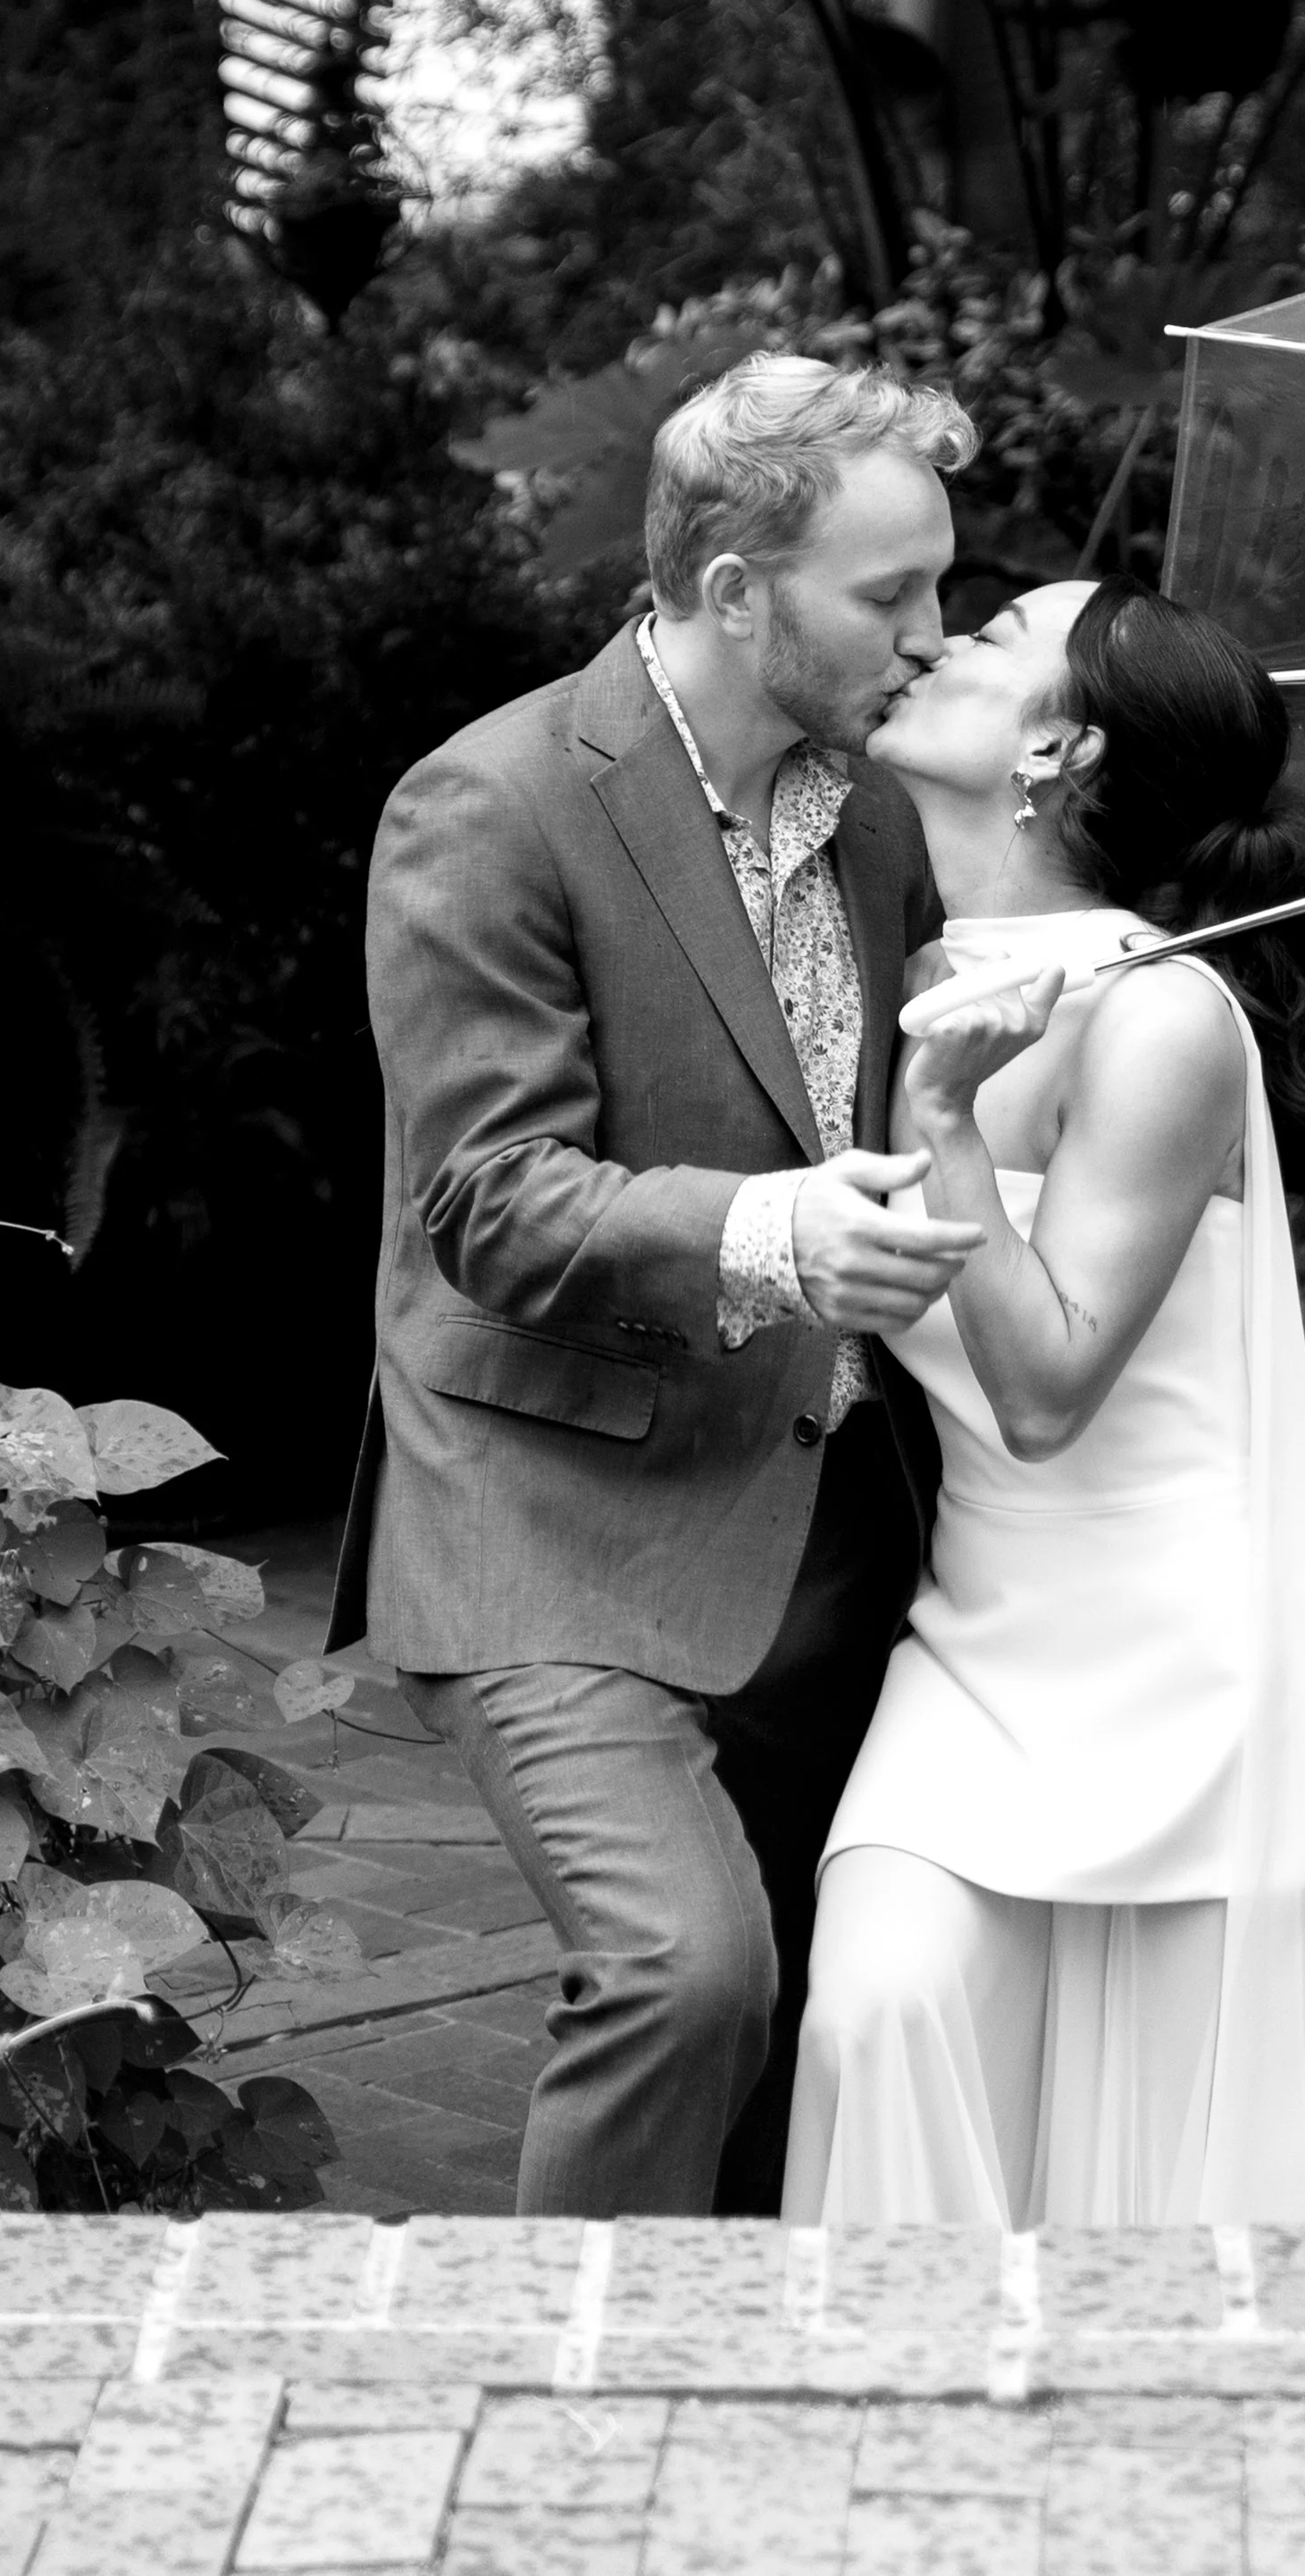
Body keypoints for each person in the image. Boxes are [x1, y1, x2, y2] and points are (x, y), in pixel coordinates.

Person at [326, 354, 991, 2217]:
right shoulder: (492, 801)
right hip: (555, 1507)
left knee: (812, 2025)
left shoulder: (880, 813)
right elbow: (486, 1200)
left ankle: (744, 2427)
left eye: (940, 587)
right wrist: (776, 1232)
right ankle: (564, 2458)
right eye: (889, 597)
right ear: (728, 593)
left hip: (837, 1513)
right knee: (684, 1974)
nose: (935, 639)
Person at [781, 573, 1305, 2226]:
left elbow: (1051, 1384)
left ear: (1057, 743)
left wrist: (943, 1117)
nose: (939, 640)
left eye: (997, 635)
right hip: (980, 1638)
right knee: (877, 2016)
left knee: (1155, 2190)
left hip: (1185, 1670)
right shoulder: (906, 947)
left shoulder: (1162, 1016)